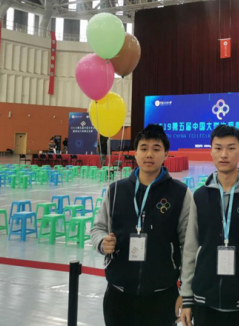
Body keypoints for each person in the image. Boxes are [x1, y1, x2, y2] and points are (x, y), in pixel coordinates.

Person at [90, 124, 191, 326]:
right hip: (118, 294)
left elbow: (189, 245)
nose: (149, 154)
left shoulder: (180, 193)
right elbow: (98, 228)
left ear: (166, 154)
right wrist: (102, 242)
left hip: (162, 296)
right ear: (135, 153)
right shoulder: (116, 190)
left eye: (156, 149)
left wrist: (187, 292)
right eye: (143, 148)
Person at [180, 125, 239, 326]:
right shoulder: (200, 196)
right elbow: (190, 248)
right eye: (218, 148)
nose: (224, 154)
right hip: (204, 300)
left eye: (231, 148)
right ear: (211, 151)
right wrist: (187, 296)